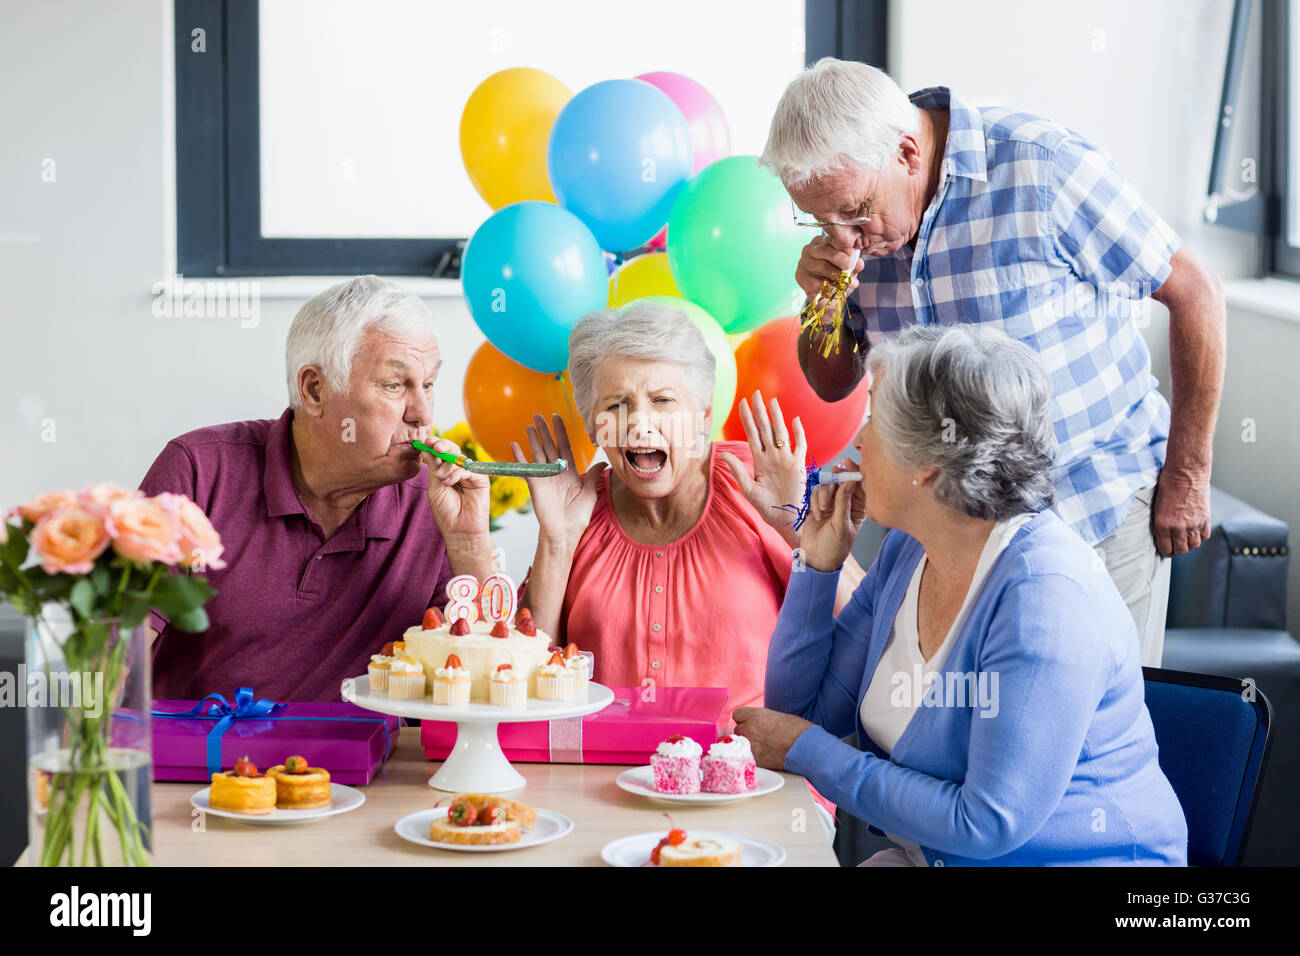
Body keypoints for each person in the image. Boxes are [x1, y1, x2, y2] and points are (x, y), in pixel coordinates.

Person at [760, 57, 1227, 667]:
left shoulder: (1040, 166)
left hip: (1093, 499)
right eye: (820, 221)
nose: (844, 238)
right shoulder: (854, 232)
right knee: (971, 739)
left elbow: (1195, 293)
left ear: (907, 153)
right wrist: (820, 302)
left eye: (854, 213)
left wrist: (1188, 474)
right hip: (952, 532)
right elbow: (831, 383)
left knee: (1093, 736)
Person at [735, 324, 1188, 866]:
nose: (857, 442)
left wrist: (809, 752)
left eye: (875, 420)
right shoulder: (908, 552)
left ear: (927, 462)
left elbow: (986, 822)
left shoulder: (1045, 600)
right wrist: (817, 564)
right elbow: (800, 714)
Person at [140, 276, 496, 701]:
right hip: (199, 763)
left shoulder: (434, 503)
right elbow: (111, 656)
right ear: (314, 390)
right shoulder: (198, 472)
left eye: (429, 384)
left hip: (364, 766)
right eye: (394, 385)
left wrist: (470, 544)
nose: (422, 414)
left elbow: (484, 691)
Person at [511, 300, 861, 712]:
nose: (641, 423)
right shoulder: (577, 510)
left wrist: (796, 527)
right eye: (616, 405)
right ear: (592, 424)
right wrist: (557, 540)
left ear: (703, 414)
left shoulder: (757, 483)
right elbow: (527, 686)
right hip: (605, 771)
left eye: (662, 400)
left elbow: (866, 630)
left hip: (751, 769)